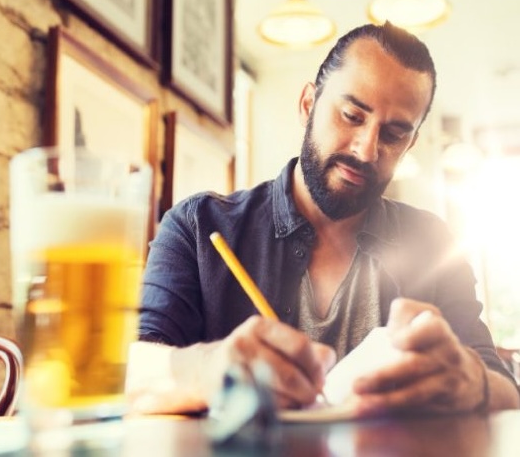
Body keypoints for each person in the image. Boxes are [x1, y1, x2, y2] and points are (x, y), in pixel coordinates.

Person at [126, 22, 520, 416]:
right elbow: (131, 375)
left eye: (394, 134)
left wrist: (471, 379)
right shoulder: (198, 227)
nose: (367, 151)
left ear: (411, 144)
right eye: (351, 115)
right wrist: (208, 369)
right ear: (307, 105)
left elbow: (507, 391)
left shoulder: (434, 243)